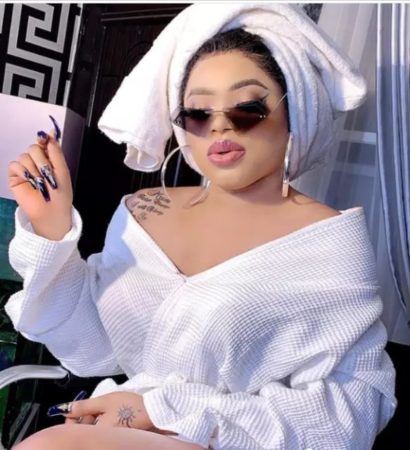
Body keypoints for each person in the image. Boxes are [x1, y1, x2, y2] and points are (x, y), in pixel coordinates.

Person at [5, 4, 396, 450]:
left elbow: (351, 413)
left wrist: (167, 412)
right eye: (197, 112)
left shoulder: (328, 242)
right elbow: (91, 348)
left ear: (296, 110)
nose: (220, 125)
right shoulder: (142, 211)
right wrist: (52, 229)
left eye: (247, 107)